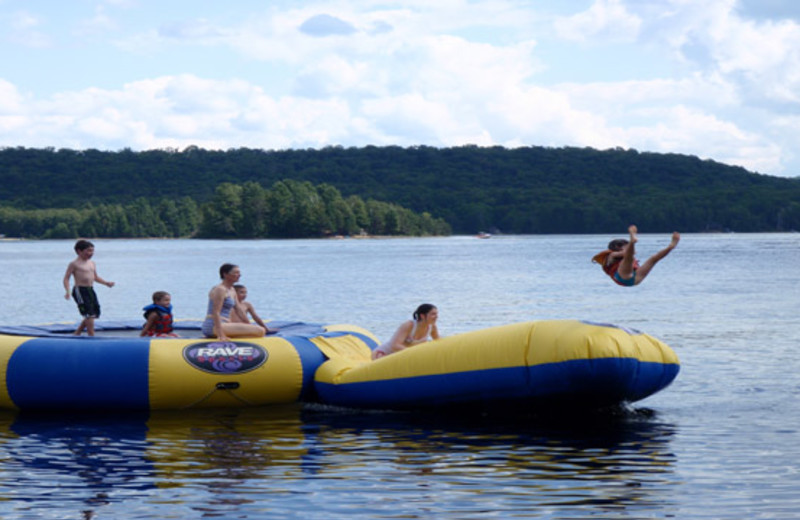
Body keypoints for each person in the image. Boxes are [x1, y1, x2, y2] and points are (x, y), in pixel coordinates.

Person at [592, 225, 680, 287]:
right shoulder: (612, 254)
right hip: (622, 277)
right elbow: (627, 254)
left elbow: (630, 254)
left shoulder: (627, 255)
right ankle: (633, 240)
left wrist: (630, 249)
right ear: (617, 247)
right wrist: (631, 245)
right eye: (626, 246)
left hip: (636, 278)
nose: (629, 249)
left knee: (654, 259)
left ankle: (671, 246)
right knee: (628, 258)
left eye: (629, 245)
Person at [63, 239, 115, 336]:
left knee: (93, 313)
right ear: (79, 251)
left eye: (92, 251)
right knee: (89, 313)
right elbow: (66, 278)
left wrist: (106, 283)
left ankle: (77, 333)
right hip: (80, 290)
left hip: (90, 289)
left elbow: (95, 277)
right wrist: (68, 291)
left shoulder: (92, 263)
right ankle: (91, 335)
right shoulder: (74, 264)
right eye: (88, 251)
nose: (91, 253)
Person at [201, 264, 266, 340]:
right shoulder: (220, 289)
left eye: (239, 273)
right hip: (213, 326)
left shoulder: (232, 289)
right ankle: (217, 335)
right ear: (225, 274)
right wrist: (221, 335)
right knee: (260, 331)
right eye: (236, 273)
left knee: (258, 331)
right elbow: (216, 312)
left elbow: (239, 310)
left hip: (226, 323)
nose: (239, 275)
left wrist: (249, 325)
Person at [371, 303, 440, 360]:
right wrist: (415, 354)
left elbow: (438, 342)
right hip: (383, 354)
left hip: (402, 357)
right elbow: (395, 345)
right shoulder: (409, 325)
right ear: (422, 316)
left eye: (436, 314)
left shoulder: (432, 327)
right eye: (433, 314)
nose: (436, 316)